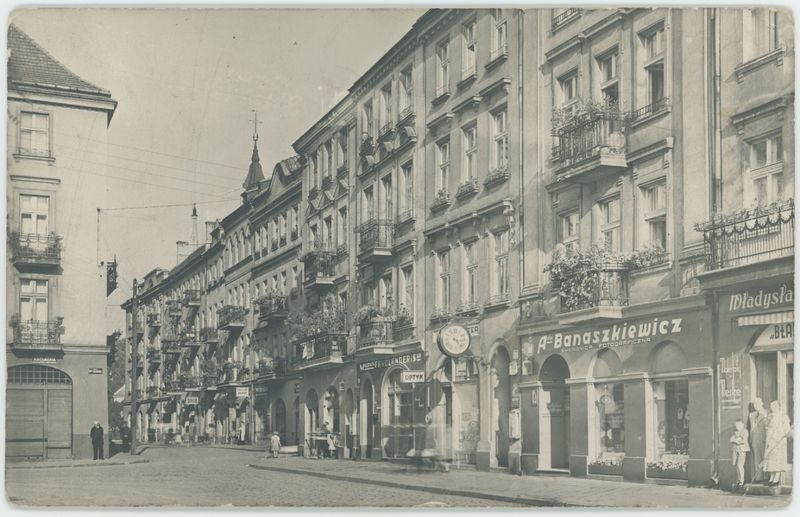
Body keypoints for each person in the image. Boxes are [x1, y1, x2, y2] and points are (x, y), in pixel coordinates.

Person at [761, 400, 792, 486]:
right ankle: (771, 478)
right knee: (770, 459)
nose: (772, 408)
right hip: (770, 439)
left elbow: (787, 429)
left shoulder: (783, 416)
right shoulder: (770, 416)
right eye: (771, 406)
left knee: (777, 459)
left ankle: (776, 479)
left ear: (778, 406)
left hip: (779, 441)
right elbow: (766, 426)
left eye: (774, 406)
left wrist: (783, 435)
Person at [748, 398, 768, 483]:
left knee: (765, 458)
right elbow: (751, 428)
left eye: (757, 404)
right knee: (757, 459)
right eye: (754, 405)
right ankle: (759, 478)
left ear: (762, 403)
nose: (756, 406)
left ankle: (766, 477)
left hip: (764, 439)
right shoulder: (751, 415)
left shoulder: (767, 413)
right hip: (755, 439)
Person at [729, 419, 749, 490]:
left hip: (742, 450)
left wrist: (736, 440)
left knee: (740, 465)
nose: (737, 426)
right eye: (736, 424)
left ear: (742, 424)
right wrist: (735, 440)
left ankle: (742, 481)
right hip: (736, 450)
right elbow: (731, 439)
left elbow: (743, 440)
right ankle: (738, 480)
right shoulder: (736, 432)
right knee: (737, 466)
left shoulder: (745, 431)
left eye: (739, 424)